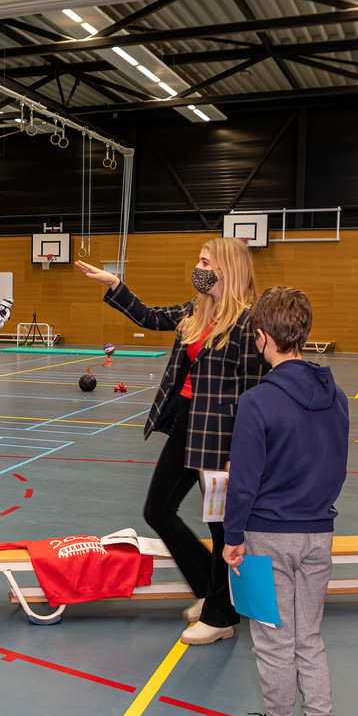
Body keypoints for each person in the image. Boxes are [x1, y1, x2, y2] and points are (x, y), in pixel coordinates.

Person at [76, 238, 266, 645]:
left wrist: (241, 452)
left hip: (221, 436)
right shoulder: (199, 310)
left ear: (228, 269)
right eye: (199, 260)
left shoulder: (250, 324)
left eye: (205, 262)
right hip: (187, 424)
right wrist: (114, 284)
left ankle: (220, 617)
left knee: (220, 528)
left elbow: (254, 391)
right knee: (158, 510)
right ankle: (212, 591)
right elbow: (149, 316)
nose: (199, 268)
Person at [220, 287, 349, 716]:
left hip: (267, 537)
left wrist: (233, 536)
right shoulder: (336, 397)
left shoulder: (257, 401)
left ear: (262, 338)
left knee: (274, 641)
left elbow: (244, 480)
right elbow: (337, 466)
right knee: (308, 636)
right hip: (318, 534)